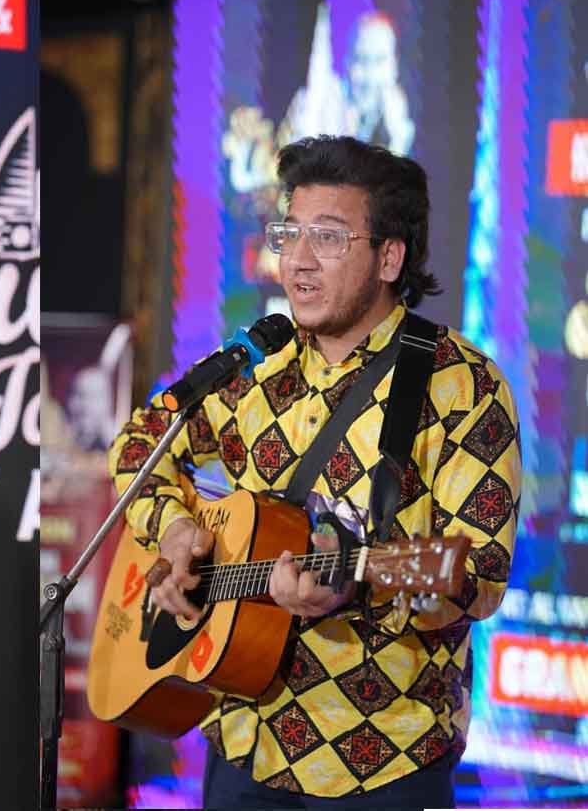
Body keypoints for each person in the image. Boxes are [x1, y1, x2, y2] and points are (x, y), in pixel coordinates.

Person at [108, 136, 520, 808]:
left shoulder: (459, 385)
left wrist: (355, 583)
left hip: (384, 760)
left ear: (389, 256)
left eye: (326, 238)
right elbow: (137, 444)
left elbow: (474, 577)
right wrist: (176, 530)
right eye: (287, 232)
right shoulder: (254, 367)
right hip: (242, 738)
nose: (295, 260)